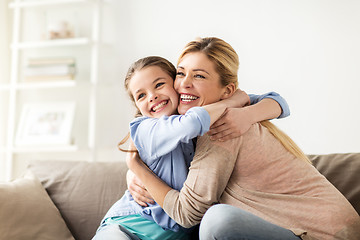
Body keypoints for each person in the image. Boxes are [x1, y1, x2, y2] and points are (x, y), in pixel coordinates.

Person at [126, 37, 360, 240]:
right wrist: (132, 176)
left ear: (226, 91)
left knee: (217, 220)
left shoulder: (223, 128)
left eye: (198, 76)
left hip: (324, 233)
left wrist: (137, 167)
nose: (185, 83)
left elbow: (186, 214)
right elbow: (267, 100)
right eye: (180, 73)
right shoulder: (206, 119)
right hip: (298, 229)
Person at [93, 55, 291, 240]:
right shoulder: (146, 128)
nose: (152, 97)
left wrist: (248, 113)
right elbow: (191, 124)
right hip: (128, 227)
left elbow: (278, 102)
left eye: (159, 85)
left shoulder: (198, 118)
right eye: (141, 96)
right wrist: (233, 102)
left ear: (177, 86)